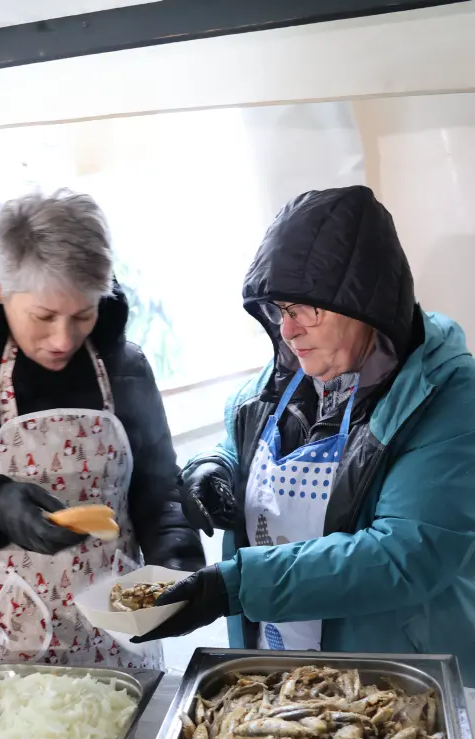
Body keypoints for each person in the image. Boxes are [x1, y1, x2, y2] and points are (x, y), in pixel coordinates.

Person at [134, 185, 475, 685]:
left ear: (368, 305)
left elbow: (406, 553)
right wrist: (214, 467)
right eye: (280, 310)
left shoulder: (447, 396)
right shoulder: (293, 375)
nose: (288, 331)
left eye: (306, 310)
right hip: (280, 663)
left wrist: (238, 585)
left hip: (391, 675)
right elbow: (245, 443)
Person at [0, 189, 204, 669]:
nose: (63, 339)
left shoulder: (124, 367)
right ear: (0, 287)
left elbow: (158, 488)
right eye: (44, 316)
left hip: (112, 645)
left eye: (83, 314)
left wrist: (177, 560)